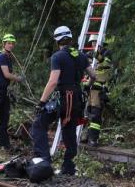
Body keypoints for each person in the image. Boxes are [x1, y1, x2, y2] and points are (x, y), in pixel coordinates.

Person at [31, 26, 96, 176]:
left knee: (38, 124)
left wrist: (41, 102)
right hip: (76, 99)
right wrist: (86, 86)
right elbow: (93, 75)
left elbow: (53, 82)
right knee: (69, 132)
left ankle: (44, 161)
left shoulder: (58, 56)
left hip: (63, 97)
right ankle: (68, 167)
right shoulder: (80, 56)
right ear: (70, 38)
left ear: (57, 40)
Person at [83, 35, 112, 147]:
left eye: (95, 42)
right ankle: (84, 136)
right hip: (89, 89)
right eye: (92, 42)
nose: (93, 44)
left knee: (95, 114)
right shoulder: (91, 56)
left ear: (101, 42)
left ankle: (93, 139)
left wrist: (97, 56)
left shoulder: (106, 53)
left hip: (99, 89)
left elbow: (106, 64)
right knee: (87, 113)